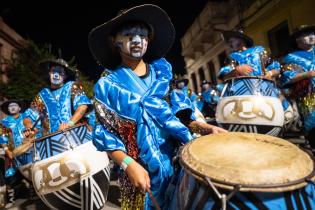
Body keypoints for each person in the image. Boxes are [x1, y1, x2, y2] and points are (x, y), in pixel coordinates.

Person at [88, 4, 227, 209]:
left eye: (143, 35)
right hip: (137, 175)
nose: (137, 40)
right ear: (115, 41)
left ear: (149, 40)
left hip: (177, 166)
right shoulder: (107, 86)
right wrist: (128, 165)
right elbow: (105, 136)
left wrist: (206, 128)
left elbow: (181, 117)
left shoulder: (162, 77)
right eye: (128, 35)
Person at [24, 58, 93, 136]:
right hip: (50, 141)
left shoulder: (72, 86)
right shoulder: (42, 95)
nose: (56, 75)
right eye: (53, 71)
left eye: (60, 72)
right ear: (49, 74)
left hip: (75, 134)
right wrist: (28, 126)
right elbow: (28, 116)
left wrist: (69, 123)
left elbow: (83, 106)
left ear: (65, 76)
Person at [280, 25, 315, 147]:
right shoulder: (291, 58)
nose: (311, 36)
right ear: (297, 40)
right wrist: (308, 74)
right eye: (306, 34)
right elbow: (286, 78)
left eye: (312, 33)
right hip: (309, 100)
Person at [0, 100, 35, 208]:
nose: (13, 107)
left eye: (15, 105)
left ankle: (33, 193)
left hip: (28, 150)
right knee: (10, 176)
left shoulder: (26, 117)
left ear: (19, 108)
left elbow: (35, 128)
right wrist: (7, 151)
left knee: (32, 171)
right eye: (10, 106)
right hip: (12, 153)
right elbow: (2, 138)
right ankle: (11, 199)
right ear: (8, 110)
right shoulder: (4, 122)